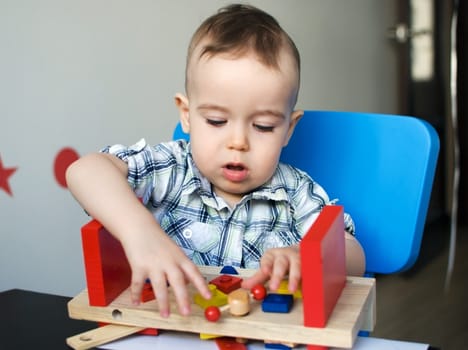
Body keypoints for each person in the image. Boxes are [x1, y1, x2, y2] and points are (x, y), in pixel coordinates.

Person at [66, 3, 365, 318]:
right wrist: (140, 234)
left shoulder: (296, 192)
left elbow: (354, 254)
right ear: (187, 114)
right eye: (216, 121)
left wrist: (310, 256)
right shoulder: (171, 170)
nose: (238, 142)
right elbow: (84, 171)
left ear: (288, 129)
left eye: (263, 126)